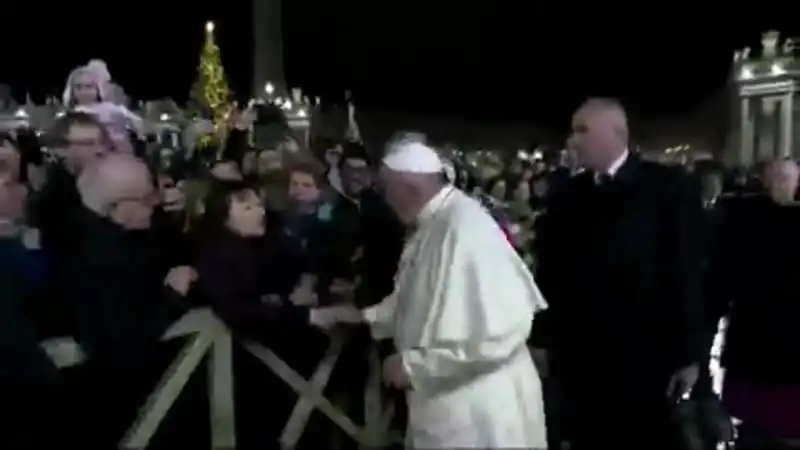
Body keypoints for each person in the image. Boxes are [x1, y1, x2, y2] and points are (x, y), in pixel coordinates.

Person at [353, 134, 549, 448]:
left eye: (387, 190)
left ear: (410, 188)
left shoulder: (464, 227)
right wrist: (366, 317)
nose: (386, 200)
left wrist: (413, 367)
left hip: (477, 411)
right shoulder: (433, 223)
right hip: (450, 408)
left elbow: (497, 334)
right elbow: (414, 294)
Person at [533, 98, 706, 449]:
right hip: (579, 356)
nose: (573, 140)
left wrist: (690, 354)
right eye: (572, 130)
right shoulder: (567, 194)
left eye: (583, 130)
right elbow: (550, 273)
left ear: (617, 133)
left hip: (644, 355)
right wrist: (542, 336)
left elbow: (686, 272)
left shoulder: (668, 188)